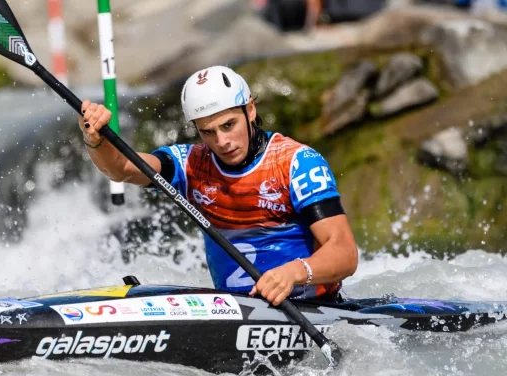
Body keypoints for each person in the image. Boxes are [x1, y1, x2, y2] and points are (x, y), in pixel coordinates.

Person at [78, 65, 358, 306]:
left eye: (228, 125)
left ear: (250, 110)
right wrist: (96, 141)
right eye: (207, 132)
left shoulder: (297, 163)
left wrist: (294, 272)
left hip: (310, 309)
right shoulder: (190, 165)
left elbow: (345, 254)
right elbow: (122, 169)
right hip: (234, 314)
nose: (221, 141)